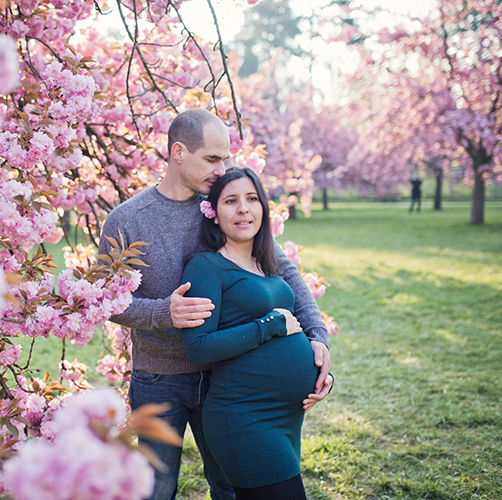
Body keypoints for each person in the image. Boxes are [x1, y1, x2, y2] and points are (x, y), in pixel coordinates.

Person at [98, 109, 333, 500]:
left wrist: (316, 333)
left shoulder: (224, 206)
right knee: (156, 489)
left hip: (227, 378)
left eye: (224, 157)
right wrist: (163, 312)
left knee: (230, 487)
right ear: (178, 152)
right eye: (211, 158)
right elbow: (108, 301)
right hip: (161, 378)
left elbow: (285, 270)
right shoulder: (128, 220)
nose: (221, 168)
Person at [181, 167, 332, 500]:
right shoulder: (206, 267)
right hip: (243, 418)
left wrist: (321, 372)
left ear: (263, 207)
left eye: (251, 199)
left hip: (286, 419)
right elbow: (199, 348)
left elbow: (294, 326)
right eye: (231, 201)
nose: (243, 209)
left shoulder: (266, 263)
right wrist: (268, 327)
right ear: (213, 213)